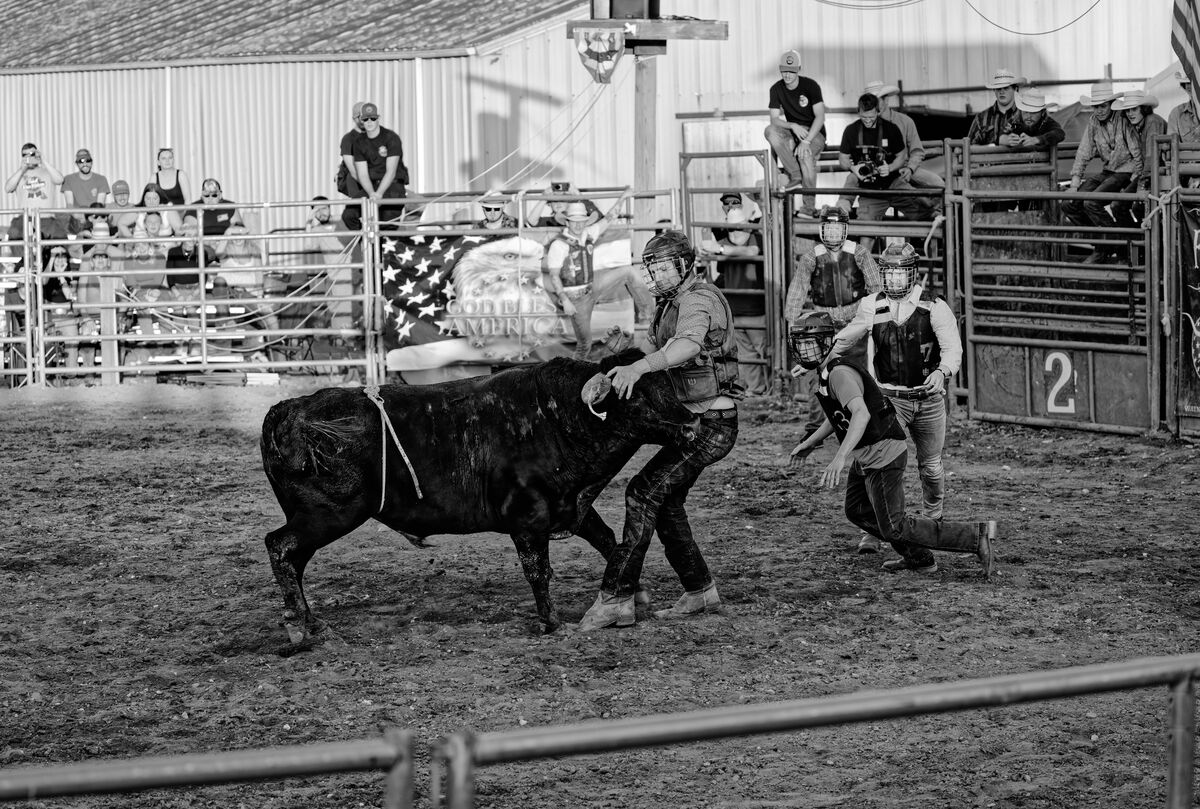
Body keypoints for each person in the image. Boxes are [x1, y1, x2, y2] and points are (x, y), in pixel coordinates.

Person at [577, 230, 741, 630]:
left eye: (664, 267)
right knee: (663, 500)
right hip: (692, 421)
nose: (657, 275)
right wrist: (624, 351)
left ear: (685, 266)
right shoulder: (670, 303)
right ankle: (700, 590)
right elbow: (656, 350)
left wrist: (638, 367)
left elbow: (685, 347)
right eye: (653, 268)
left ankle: (617, 597)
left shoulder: (698, 299)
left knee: (643, 492)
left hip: (711, 425)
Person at [786, 310, 995, 578]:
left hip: (883, 453)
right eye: (802, 344)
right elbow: (838, 416)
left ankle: (974, 537)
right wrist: (810, 442)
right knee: (857, 510)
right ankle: (919, 558)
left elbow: (860, 414)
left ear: (826, 343)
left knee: (894, 526)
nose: (806, 350)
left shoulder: (838, 374)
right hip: (868, 454)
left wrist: (839, 457)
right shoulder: (829, 373)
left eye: (811, 343)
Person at [826, 242, 962, 553]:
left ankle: (933, 521)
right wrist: (823, 355)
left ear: (913, 274)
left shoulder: (934, 306)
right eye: (889, 272)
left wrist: (942, 372)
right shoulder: (872, 305)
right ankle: (876, 527)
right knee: (878, 463)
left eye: (900, 272)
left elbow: (952, 349)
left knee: (930, 466)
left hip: (928, 399)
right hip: (889, 398)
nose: (894, 279)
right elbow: (849, 336)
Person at [785, 205, 881, 438]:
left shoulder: (859, 252)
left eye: (838, 227)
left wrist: (872, 312)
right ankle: (815, 427)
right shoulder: (811, 256)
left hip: (854, 320)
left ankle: (862, 420)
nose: (833, 233)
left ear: (845, 229)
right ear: (822, 229)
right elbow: (798, 289)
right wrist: (792, 319)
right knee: (819, 374)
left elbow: (875, 284)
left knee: (859, 371)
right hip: (823, 322)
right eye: (829, 227)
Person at [544, 192, 653, 360]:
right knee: (584, 344)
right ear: (567, 222)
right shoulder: (559, 245)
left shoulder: (588, 234)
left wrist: (623, 198)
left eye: (582, 222)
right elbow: (554, 275)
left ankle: (648, 317)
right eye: (575, 221)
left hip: (592, 285)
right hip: (575, 299)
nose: (579, 225)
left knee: (629, 272)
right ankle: (570, 375)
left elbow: (609, 217)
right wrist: (564, 300)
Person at [1062, 80, 1142, 263]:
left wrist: (1137, 179)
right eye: (1095, 106)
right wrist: (1075, 183)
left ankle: (1115, 247)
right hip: (1108, 171)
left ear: (1111, 104)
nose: (1099, 110)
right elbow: (1084, 151)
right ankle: (1104, 245)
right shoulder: (1093, 122)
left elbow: (1136, 151)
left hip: (1126, 172)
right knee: (1069, 204)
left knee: (1091, 202)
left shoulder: (1123, 118)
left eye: (1103, 105)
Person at [700, 205, 768, 395]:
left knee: (764, 351)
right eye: (732, 227)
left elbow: (752, 252)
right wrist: (706, 252)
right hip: (735, 309)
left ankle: (772, 389)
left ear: (747, 226)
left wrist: (719, 249)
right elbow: (712, 262)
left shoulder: (755, 238)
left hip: (757, 308)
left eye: (740, 226)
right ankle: (756, 391)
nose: (736, 231)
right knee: (747, 354)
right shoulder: (724, 242)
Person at [836, 93, 929, 224]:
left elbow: (902, 156)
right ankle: (842, 209)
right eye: (863, 117)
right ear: (858, 112)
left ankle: (939, 220)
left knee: (926, 212)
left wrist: (890, 168)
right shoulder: (851, 130)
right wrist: (853, 168)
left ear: (878, 112)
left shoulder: (891, 129)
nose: (867, 120)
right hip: (869, 190)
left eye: (871, 117)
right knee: (866, 232)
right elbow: (843, 158)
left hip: (893, 183)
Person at [862, 81, 944, 213]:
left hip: (903, 167)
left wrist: (910, 169)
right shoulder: (865, 124)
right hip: (877, 171)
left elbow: (917, 151)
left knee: (937, 184)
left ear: (886, 100)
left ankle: (931, 220)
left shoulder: (904, 121)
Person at [764, 49, 826, 217]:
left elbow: (820, 117)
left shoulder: (811, 86)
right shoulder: (776, 89)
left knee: (805, 155)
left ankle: (808, 207)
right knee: (770, 131)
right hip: (794, 131)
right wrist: (792, 125)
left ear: (799, 69)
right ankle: (795, 174)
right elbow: (774, 120)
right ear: (779, 69)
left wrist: (806, 142)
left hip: (814, 132)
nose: (788, 75)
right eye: (784, 70)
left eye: (791, 71)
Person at [1110, 90, 1167, 229]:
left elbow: (1151, 155)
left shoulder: (1152, 121)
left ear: (1144, 109)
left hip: (1161, 172)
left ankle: (1148, 244)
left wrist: (1142, 184)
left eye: (1134, 109)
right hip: (1149, 173)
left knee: (1138, 207)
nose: (1130, 113)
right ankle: (1137, 242)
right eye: (1128, 110)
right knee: (1118, 206)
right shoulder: (1137, 126)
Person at [352, 101, 410, 227]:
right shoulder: (358, 142)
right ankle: (367, 244)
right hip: (371, 187)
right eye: (365, 119)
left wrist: (379, 194)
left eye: (372, 118)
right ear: (361, 120)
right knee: (349, 215)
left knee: (387, 220)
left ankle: (383, 244)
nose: (369, 122)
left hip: (392, 185)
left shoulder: (391, 138)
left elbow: (391, 171)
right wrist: (372, 193)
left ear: (378, 118)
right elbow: (362, 174)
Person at [4, 143, 66, 242]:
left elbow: (60, 180)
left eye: (32, 154)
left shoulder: (47, 172)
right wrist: (22, 169)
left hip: (46, 217)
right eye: (25, 155)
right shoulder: (19, 175)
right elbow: (8, 188)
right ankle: (23, 257)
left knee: (60, 236)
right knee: (14, 233)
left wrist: (43, 161)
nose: (29, 157)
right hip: (25, 218)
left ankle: (51, 256)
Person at [967, 68, 1025, 146]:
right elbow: (970, 146)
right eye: (998, 88)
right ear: (994, 90)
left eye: (1006, 88)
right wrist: (996, 142)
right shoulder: (981, 118)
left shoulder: (1026, 115)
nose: (1001, 91)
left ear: (1015, 89)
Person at [61, 148, 111, 228]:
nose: (85, 164)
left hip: (95, 217)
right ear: (76, 164)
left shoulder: (101, 179)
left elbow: (99, 205)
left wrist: (91, 219)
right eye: (81, 161)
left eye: (87, 160)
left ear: (91, 162)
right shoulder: (68, 179)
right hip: (76, 219)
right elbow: (69, 205)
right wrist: (80, 217)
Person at [1167, 71, 1200, 143]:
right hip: (1184, 154)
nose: (1189, 86)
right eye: (1187, 83)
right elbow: (1172, 144)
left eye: (1194, 82)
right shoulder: (1176, 113)